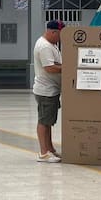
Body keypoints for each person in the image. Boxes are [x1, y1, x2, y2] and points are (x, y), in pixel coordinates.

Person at [32, 19, 65, 163]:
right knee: (43, 121)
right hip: (46, 90)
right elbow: (49, 68)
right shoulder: (45, 46)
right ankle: (43, 153)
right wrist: (68, 68)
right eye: (60, 35)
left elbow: (55, 63)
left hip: (51, 89)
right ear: (53, 32)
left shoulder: (52, 44)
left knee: (48, 121)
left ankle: (50, 149)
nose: (61, 39)